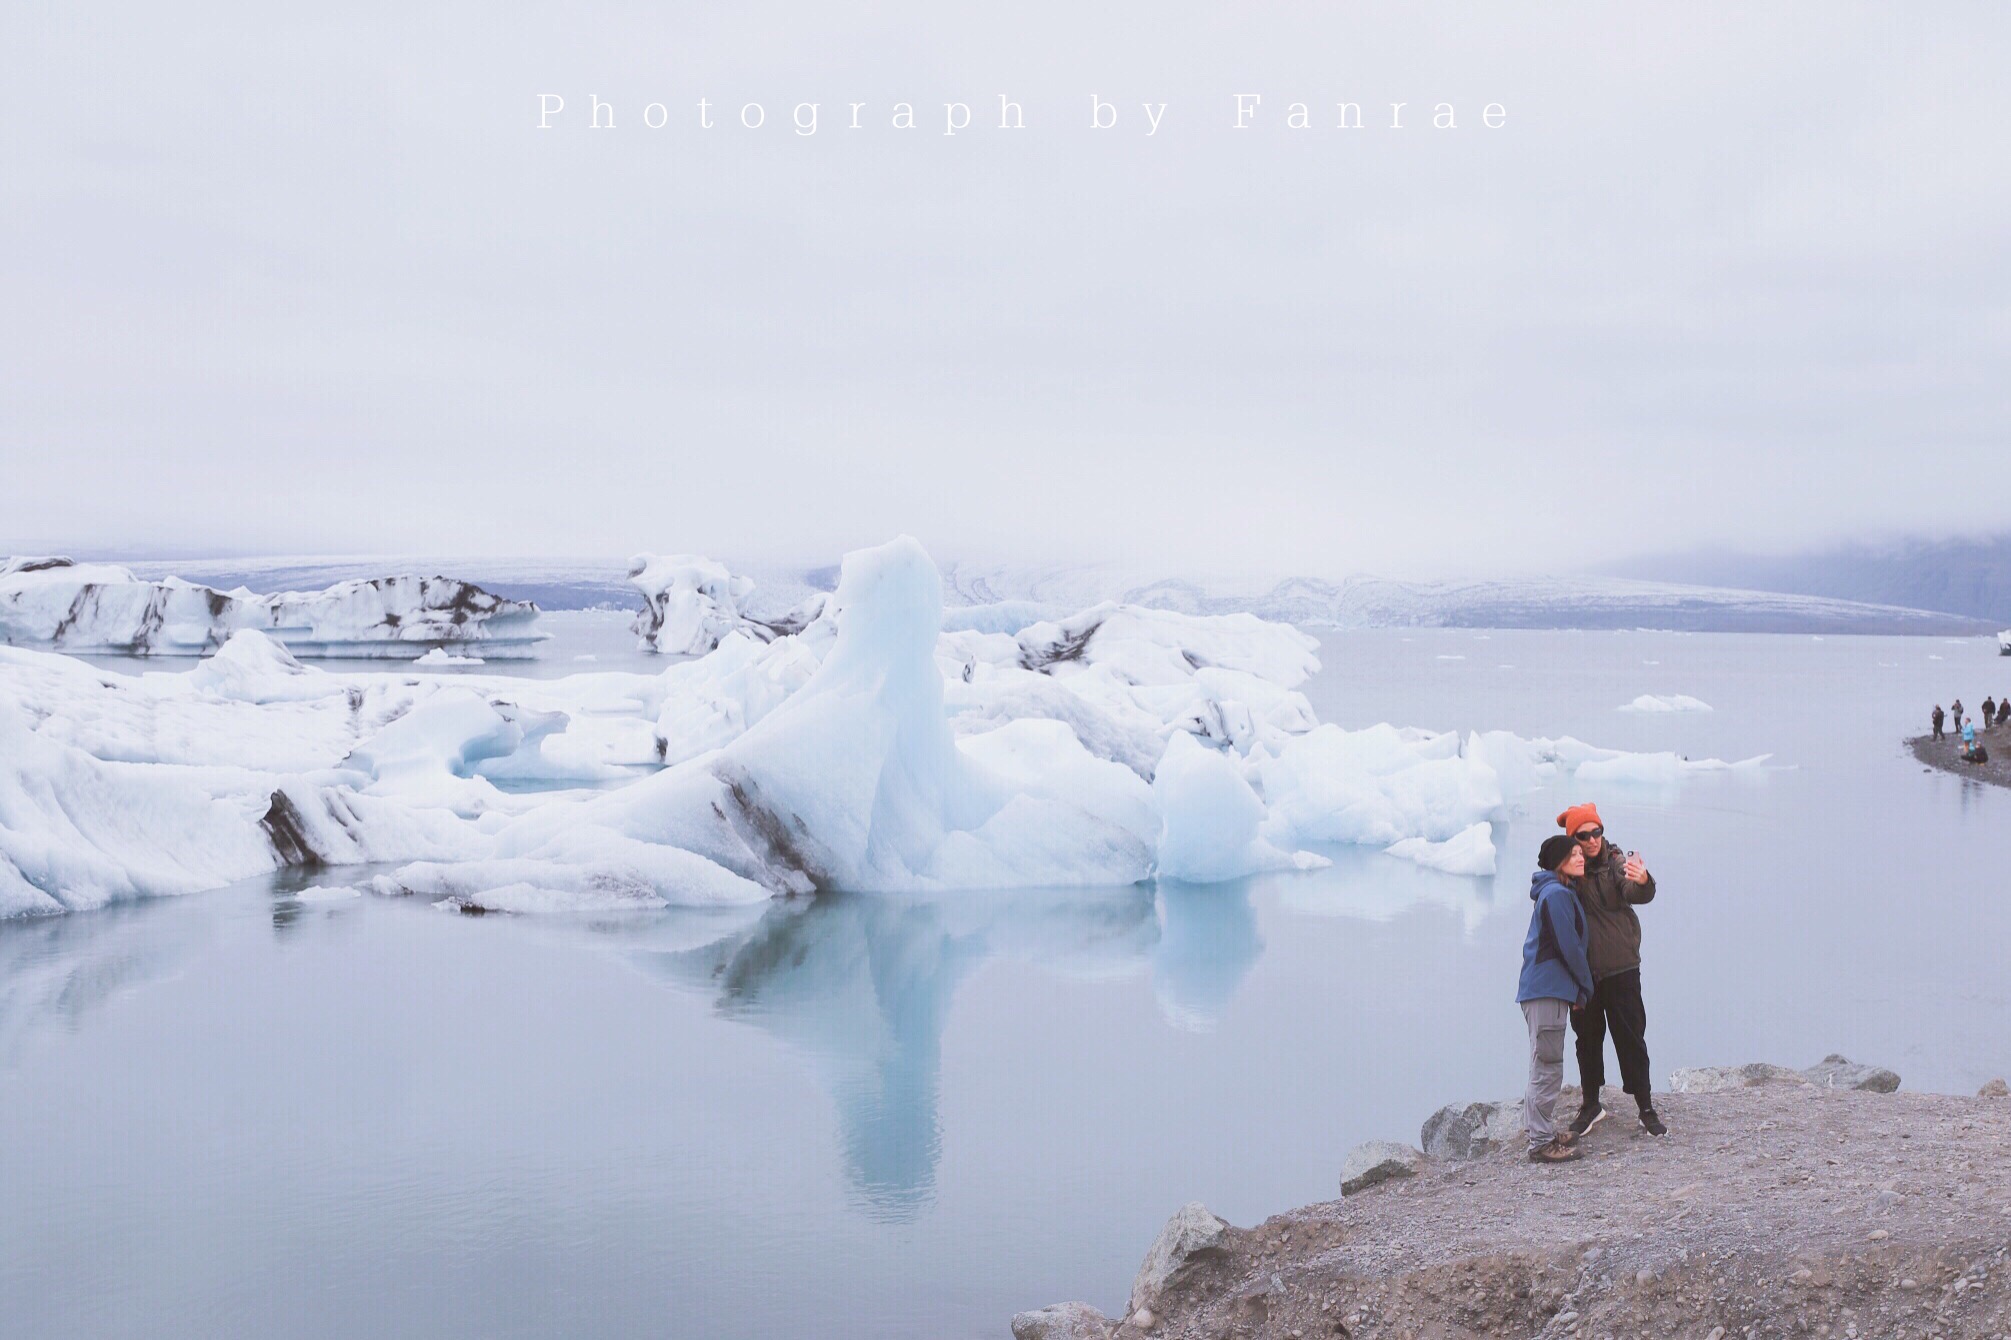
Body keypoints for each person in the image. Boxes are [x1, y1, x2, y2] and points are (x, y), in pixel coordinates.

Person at [1557, 802, 1666, 1137]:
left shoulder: (1616, 864)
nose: (1592, 840)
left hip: (1621, 970)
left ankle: (1645, 1108)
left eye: (1597, 832)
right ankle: (1591, 1105)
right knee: (1587, 1041)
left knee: (1631, 1038)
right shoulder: (1567, 873)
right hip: (1584, 976)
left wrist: (1644, 880)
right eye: (1584, 835)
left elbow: (1636, 891)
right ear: (1573, 839)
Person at [1519, 835, 1595, 1165]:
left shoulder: (1555, 893)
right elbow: (1570, 948)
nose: (1581, 858)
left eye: (1582, 854)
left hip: (1545, 991)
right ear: (1558, 861)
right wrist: (1585, 986)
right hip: (1547, 991)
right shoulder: (1557, 895)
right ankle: (1540, 1143)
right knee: (1548, 1066)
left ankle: (1542, 1131)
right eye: (1574, 854)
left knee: (1543, 1062)